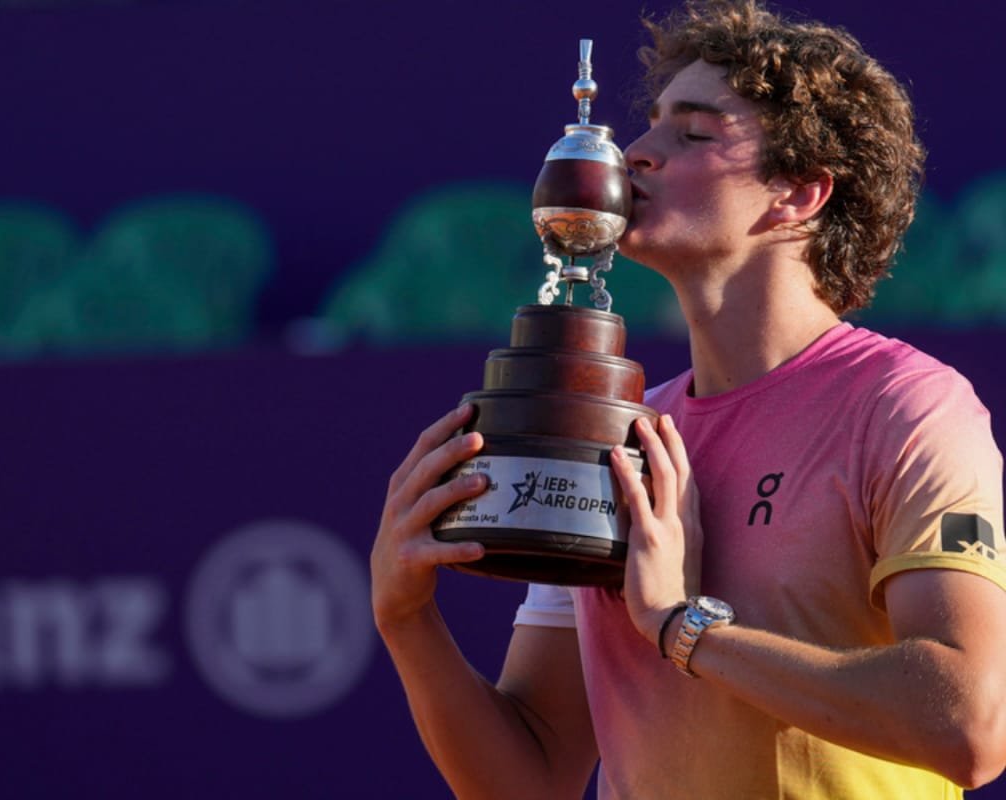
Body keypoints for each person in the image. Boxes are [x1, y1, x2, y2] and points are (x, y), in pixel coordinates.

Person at [370, 1, 1006, 797]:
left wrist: (682, 626)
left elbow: (970, 725)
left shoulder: (908, 408)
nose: (636, 152)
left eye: (695, 133)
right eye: (652, 124)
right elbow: (528, 781)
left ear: (799, 193)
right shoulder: (614, 445)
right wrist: (406, 619)